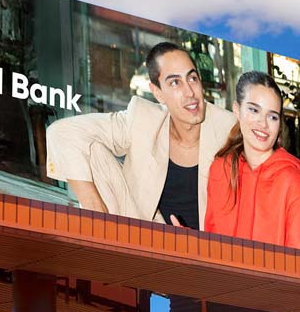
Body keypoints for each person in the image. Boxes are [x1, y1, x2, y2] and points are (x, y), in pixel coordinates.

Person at [45, 42, 236, 229]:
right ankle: (101, 238)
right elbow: (62, 132)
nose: (190, 92)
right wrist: (95, 208)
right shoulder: (144, 119)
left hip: (209, 250)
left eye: (192, 78)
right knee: (92, 149)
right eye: (175, 82)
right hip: (149, 236)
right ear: (158, 93)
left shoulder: (229, 129)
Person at [205, 71, 300, 252]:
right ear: (237, 110)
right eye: (254, 110)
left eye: (272, 116)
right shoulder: (220, 170)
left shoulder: (295, 184)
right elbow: (211, 246)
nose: (263, 124)